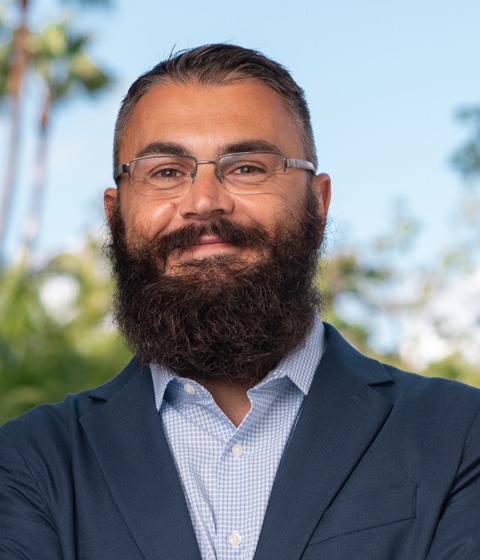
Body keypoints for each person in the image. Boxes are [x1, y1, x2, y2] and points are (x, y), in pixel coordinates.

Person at [1, 43, 480, 560]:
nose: (204, 201)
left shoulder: (459, 434)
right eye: (166, 171)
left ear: (318, 206)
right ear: (115, 215)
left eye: (247, 167)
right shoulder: (31, 462)